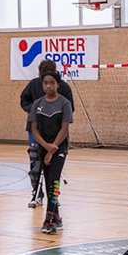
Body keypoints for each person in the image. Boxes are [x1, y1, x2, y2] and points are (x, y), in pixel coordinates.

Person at [30, 68, 73, 235]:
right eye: (46, 83)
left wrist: (53, 148)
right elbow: (34, 128)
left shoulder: (64, 103)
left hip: (59, 147)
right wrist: (45, 146)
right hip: (43, 146)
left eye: (52, 83)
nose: (49, 86)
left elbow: (64, 129)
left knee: (54, 181)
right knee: (48, 182)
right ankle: (57, 217)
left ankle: (49, 219)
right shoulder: (37, 104)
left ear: (58, 84)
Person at [20, 58, 65, 209]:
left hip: (55, 133)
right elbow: (24, 100)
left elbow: (68, 107)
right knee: (35, 164)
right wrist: (34, 110)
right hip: (36, 131)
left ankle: (53, 196)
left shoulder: (62, 87)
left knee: (55, 169)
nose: (48, 85)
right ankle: (37, 194)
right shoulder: (33, 84)